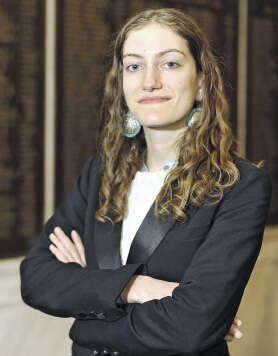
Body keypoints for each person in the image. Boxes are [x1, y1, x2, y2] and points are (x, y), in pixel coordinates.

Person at [20, 8, 272, 356]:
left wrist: (86, 314)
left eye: (169, 64)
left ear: (200, 82)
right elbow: (35, 279)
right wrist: (136, 287)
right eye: (134, 66)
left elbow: (190, 328)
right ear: (121, 83)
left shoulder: (239, 185)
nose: (149, 81)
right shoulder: (99, 174)